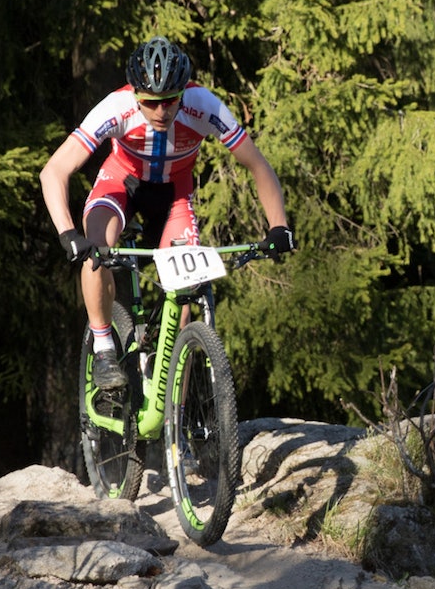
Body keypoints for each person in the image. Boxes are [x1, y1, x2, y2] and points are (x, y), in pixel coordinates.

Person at [40, 36, 294, 389]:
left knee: (185, 290)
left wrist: (278, 226)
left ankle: (176, 407)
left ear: (183, 93)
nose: (161, 112)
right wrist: (68, 234)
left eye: (170, 101)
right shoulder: (117, 107)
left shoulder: (203, 104)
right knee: (96, 249)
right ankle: (103, 351)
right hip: (121, 185)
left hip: (174, 194)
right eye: (151, 103)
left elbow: (257, 165)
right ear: (135, 95)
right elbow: (54, 171)